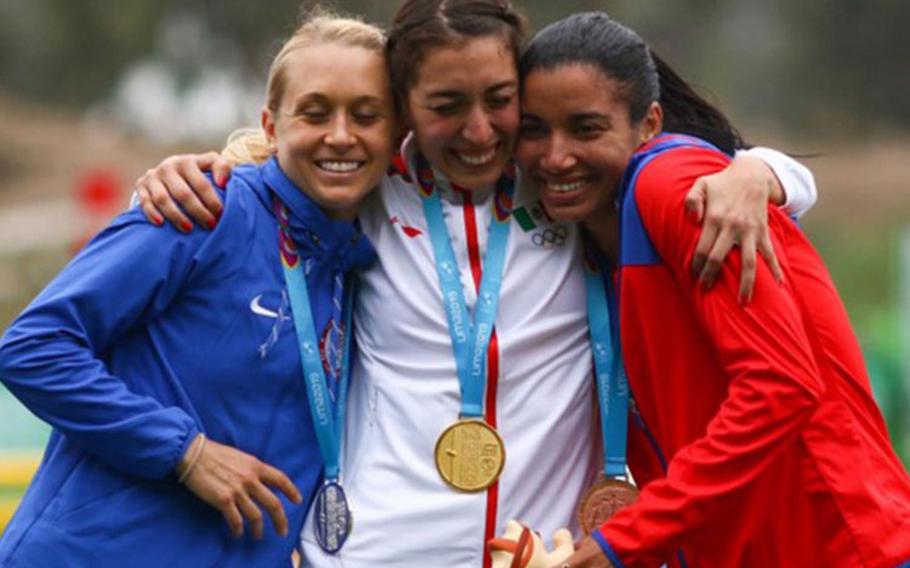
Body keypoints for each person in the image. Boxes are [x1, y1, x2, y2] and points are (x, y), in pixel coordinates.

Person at [133, 1, 819, 565]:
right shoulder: (369, 190)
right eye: (446, 105)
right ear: (403, 106)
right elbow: (277, 164)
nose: (479, 130)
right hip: (377, 552)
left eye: (500, 100)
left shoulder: (561, 179)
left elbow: (689, 163)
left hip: (541, 552)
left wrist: (763, 172)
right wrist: (191, 168)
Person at [513, 12, 910, 567]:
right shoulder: (594, 234)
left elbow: (781, 386)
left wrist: (626, 541)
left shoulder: (673, 187)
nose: (554, 156)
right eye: (534, 130)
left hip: (837, 547)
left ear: (648, 123)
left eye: (586, 128)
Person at [0, 13, 394, 567]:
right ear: (272, 124)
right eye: (315, 111)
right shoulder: (203, 209)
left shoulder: (361, 262)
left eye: (366, 115)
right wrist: (185, 453)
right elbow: (32, 346)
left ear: (396, 135)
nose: (340, 134)